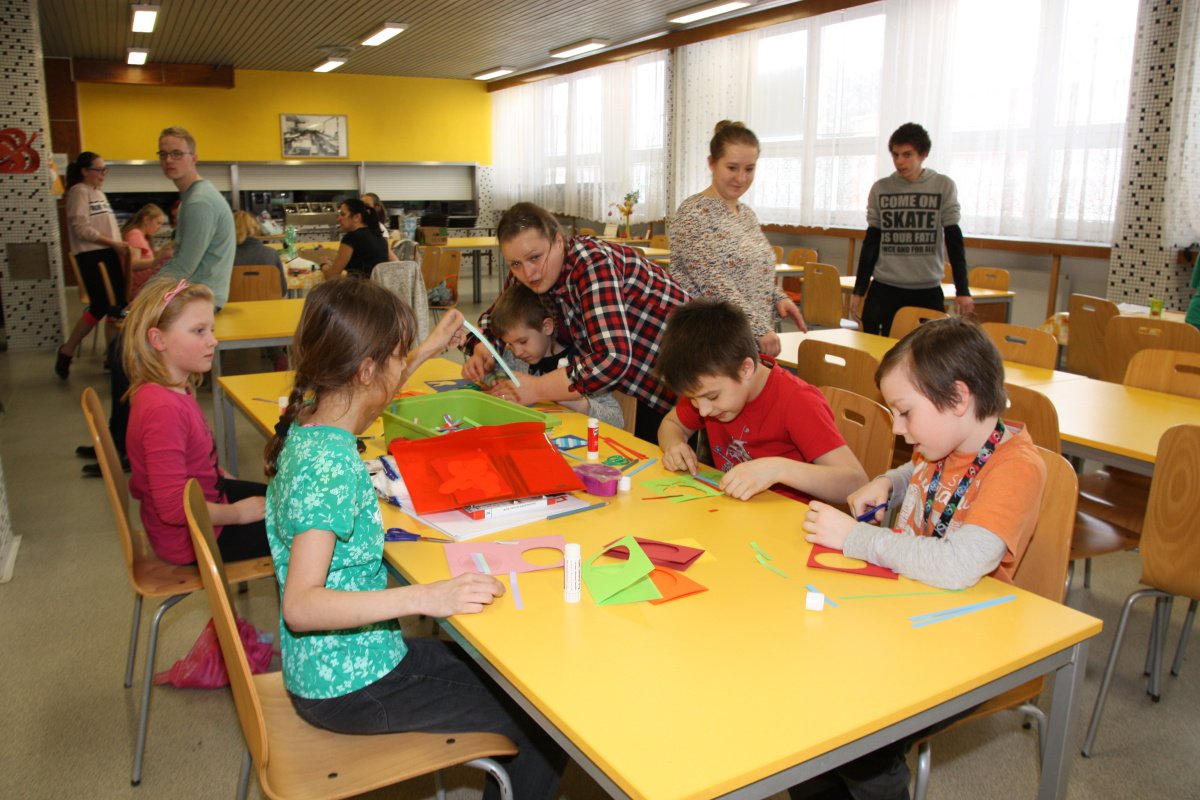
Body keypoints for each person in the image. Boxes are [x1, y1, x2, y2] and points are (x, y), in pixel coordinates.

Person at [262, 279, 565, 800]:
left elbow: (372, 387)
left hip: (341, 666)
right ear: (366, 369)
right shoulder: (329, 466)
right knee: (543, 723)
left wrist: (426, 349)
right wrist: (428, 596)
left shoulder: (311, 418)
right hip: (352, 686)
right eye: (398, 357)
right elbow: (302, 606)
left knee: (504, 675)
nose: (402, 366)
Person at [792, 317, 1046, 800]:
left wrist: (855, 538)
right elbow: (916, 472)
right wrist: (887, 482)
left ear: (958, 397)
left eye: (905, 412)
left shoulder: (1016, 467)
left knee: (862, 741)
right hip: (906, 612)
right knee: (810, 701)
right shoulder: (946, 440)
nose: (897, 427)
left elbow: (957, 566)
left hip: (965, 639)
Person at [462, 202, 690, 442]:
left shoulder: (592, 264)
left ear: (558, 242)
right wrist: (483, 349)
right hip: (635, 377)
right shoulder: (528, 270)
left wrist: (538, 388)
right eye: (515, 264)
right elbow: (494, 321)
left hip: (675, 371)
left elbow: (612, 358)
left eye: (535, 257)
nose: (528, 273)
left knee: (660, 451)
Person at [655, 299, 866, 503]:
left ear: (745, 369)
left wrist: (779, 469)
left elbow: (856, 484)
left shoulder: (797, 401)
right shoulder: (710, 387)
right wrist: (674, 444)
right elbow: (672, 424)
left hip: (788, 519)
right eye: (693, 399)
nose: (703, 411)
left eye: (712, 397)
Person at [122, 277, 271, 565]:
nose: (213, 340)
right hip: (195, 538)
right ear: (158, 340)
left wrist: (232, 485)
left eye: (211, 330)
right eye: (199, 331)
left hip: (207, 507)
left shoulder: (174, 387)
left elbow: (198, 462)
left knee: (293, 504)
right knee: (312, 533)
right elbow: (173, 508)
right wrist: (238, 513)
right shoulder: (163, 409)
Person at [668, 120, 806, 357]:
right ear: (712, 163)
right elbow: (712, 283)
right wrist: (758, 328)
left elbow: (754, 272)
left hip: (745, 342)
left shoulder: (746, 214)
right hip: (709, 344)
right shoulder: (693, 213)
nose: (741, 178)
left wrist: (777, 297)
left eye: (749, 169)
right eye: (732, 168)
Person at [851, 122, 975, 336]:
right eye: (895, 155)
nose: (900, 161)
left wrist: (962, 290)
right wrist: (859, 290)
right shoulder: (881, 188)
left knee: (927, 349)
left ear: (923, 154)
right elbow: (871, 242)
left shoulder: (943, 186)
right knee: (875, 346)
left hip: (926, 289)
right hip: (885, 287)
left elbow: (954, 240)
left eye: (907, 155)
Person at [489, 283, 625, 428]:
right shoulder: (516, 358)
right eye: (509, 344)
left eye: (523, 341)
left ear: (547, 327)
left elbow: (617, 421)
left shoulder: (581, 364)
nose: (516, 352)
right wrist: (496, 380)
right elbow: (495, 372)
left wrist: (576, 403)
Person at [56, 150, 129, 379]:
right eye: (99, 169)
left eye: (105, 170)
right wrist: (113, 243)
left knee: (117, 306)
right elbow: (81, 228)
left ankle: (112, 357)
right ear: (84, 171)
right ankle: (67, 350)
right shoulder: (79, 191)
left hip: (108, 253)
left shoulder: (99, 193)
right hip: (92, 255)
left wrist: (117, 245)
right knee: (101, 306)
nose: (103, 174)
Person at [154, 126, 237, 307]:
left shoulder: (199, 202)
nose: (168, 160)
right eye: (163, 154)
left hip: (200, 302)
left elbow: (184, 266)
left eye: (177, 154)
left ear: (194, 158)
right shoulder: (191, 197)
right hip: (194, 297)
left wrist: (143, 298)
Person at [320, 198, 396, 279]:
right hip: (376, 286)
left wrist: (324, 265)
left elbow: (331, 276)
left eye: (343, 214)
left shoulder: (351, 238)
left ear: (357, 217)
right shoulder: (379, 237)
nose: (338, 219)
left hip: (360, 286)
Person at [123, 204, 173, 301]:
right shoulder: (135, 234)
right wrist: (156, 261)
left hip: (146, 285)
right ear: (146, 219)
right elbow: (132, 264)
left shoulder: (142, 236)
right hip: (140, 289)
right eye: (158, 223)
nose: (159, 227)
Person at [232, 210, 286, 296]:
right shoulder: (271, 254)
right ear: (256, 228)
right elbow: (282, 290)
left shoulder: (227, 256)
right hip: (268, 303)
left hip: (235, 303)